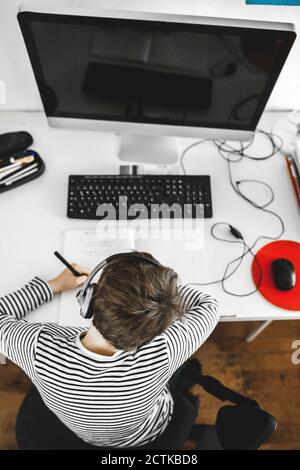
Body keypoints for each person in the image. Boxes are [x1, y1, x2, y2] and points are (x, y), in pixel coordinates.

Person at [0, 252, 220, 448]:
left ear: (88, 299)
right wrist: (158, 294)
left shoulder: (39, 349)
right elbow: (210, 306)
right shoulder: (164, 350)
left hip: (81, 431)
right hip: (148, 433)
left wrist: (53, 285)